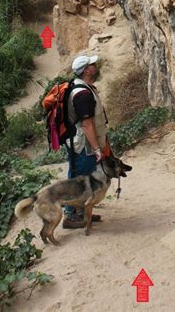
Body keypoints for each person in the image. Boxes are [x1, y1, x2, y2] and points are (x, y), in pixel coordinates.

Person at [63, 53, 110, 229]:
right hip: (83, 144)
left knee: (81, 176)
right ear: (87, 71)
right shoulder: (82, 94)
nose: (95, 66)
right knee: (78, 178)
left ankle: (81, 212)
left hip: (79, 141)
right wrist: (97, 149)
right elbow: (87, 124)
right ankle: (70, 216)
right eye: (92, 65)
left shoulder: (82, 87)